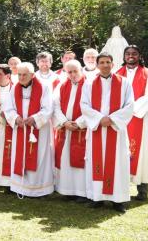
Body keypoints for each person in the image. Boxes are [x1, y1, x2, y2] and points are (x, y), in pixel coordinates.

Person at [81, 52, 133, 213]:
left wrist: (111, 119)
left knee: (117, 163)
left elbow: (129, 105)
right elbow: (84, 105)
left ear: (113, 64)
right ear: (97, 65)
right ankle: (97, 198)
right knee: (96, 162)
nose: (105, 65)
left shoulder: (124, 83)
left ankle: (118, 200)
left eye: (108, 62)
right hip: (97, 130)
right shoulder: (89, 83)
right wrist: (99, 119)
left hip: (115, 131)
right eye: (102, 62)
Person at [115, 46, 148, 201]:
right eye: (127, 53)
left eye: (134, 53)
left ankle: (142, 192)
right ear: (124, 56)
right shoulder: (116, 74)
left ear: (139, 56)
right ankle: (120, 189)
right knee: (119, 152)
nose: (130, 56)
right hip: (120, 120)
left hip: (140, 118)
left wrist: (131, 109)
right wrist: (121, 112)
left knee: (143, 153)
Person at [3, 62, 54, 197]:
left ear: (32, 75)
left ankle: (39, 189)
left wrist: (35, 118)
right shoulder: (14, 89)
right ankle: (20, 188)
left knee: (39, 158)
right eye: (19, 74)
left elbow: (48, 108)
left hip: (38, 131)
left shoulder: (44, 87)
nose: (21, 77)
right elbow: (8, 108)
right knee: (19, 155)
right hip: (20, 129)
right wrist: (15, 118)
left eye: (24, 74)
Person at [52, 60, 88, 201]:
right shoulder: (62, 85)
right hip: (65, 129)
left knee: (80, 160)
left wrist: (79, 123)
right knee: (65, 159)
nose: (73, 75)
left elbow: (94, 107)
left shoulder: (89, 85)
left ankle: (81, 192)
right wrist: (64, 122)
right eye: (69, 72)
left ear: (81, 70)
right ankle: (66, 190)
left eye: (75, 71)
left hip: (81, 130)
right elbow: (55, 106)